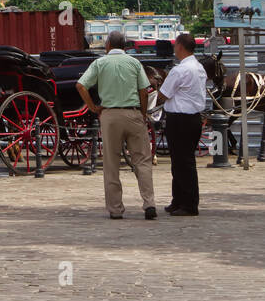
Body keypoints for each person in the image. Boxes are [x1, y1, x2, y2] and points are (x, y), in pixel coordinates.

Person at [76, 30, 157, 220]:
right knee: (142, 161)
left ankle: (115, 209)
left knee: (111, 164)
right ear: (125, 46)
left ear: (108, 46)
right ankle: (149, 203)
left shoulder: (100, 63)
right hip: (133, 112)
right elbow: (144, 91)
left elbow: (80, 85)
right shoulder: (134, 62)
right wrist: (142, 114)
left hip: (110, 115)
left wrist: (92, 107)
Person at [151, 33, 204, 216]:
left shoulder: (179, 70)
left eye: (175, 46)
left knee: (183, 162)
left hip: (180, 118)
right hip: (193, 118)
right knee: (181, 161)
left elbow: (163, 94)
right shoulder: (199, 67)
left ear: (180, 47)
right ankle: (179, 200)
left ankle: (189, 204)